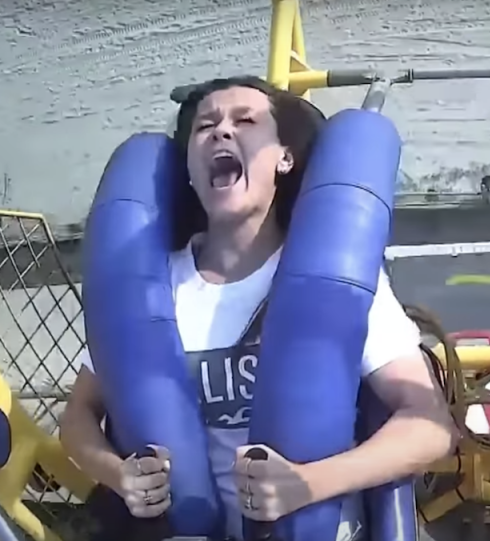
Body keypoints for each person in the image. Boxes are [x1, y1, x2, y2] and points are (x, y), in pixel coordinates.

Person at [60, 76, 458, 541]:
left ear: (284, 159)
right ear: (189, 169)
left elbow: (431, 428)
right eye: (204, 126)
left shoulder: (337, 280)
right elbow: (77, 417)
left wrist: (309, 485)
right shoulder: (148, 284)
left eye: (244, 121)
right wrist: (116, 474)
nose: (221, 132)